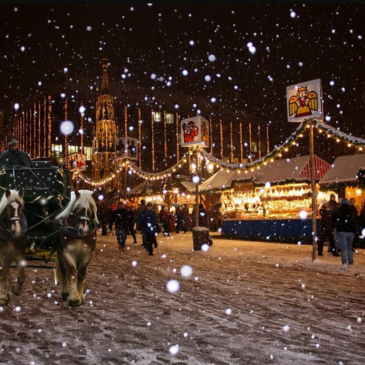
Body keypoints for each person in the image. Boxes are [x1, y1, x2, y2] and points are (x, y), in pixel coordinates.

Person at [332, 198, 360, 271]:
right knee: (349, 247)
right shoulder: (352, 210)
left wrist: (335, 226)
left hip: (341, 231)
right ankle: (351, 262)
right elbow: (356, 220)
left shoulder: (338, 211)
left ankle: (344, 263)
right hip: (351, 231)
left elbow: (333, 220)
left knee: (343, 248)